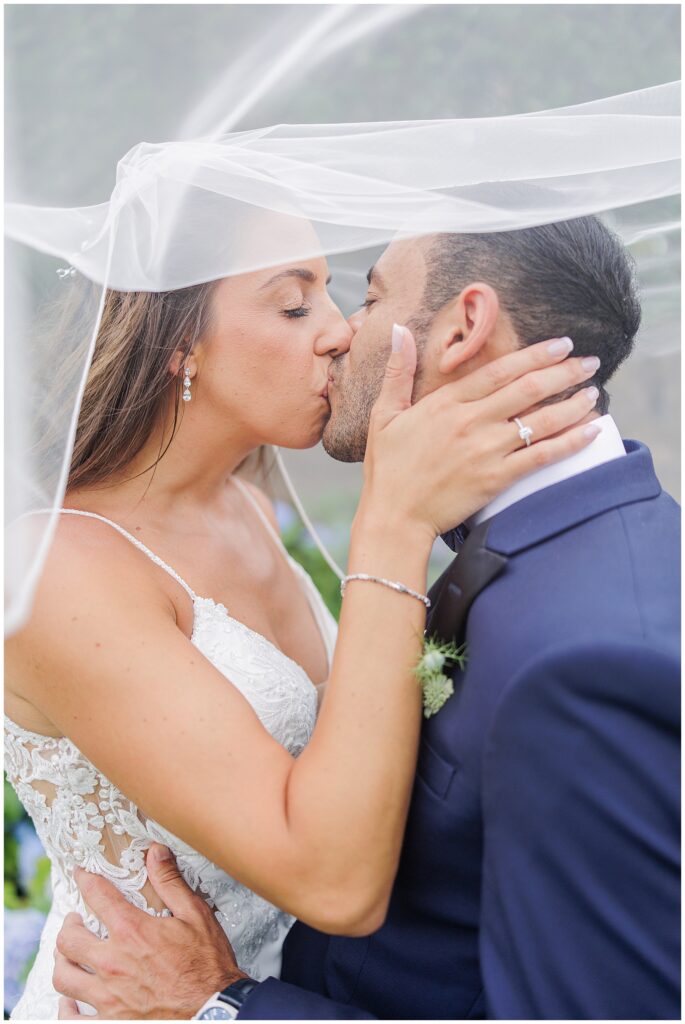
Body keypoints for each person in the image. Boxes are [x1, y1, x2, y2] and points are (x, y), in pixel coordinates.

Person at [53, 216, 680, 1020]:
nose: (338, 332)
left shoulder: (585, 655)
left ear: (465, 325)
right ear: (180, 342)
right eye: (293, 306)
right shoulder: (75, 567)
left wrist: (221, 1004)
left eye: (363, 296)